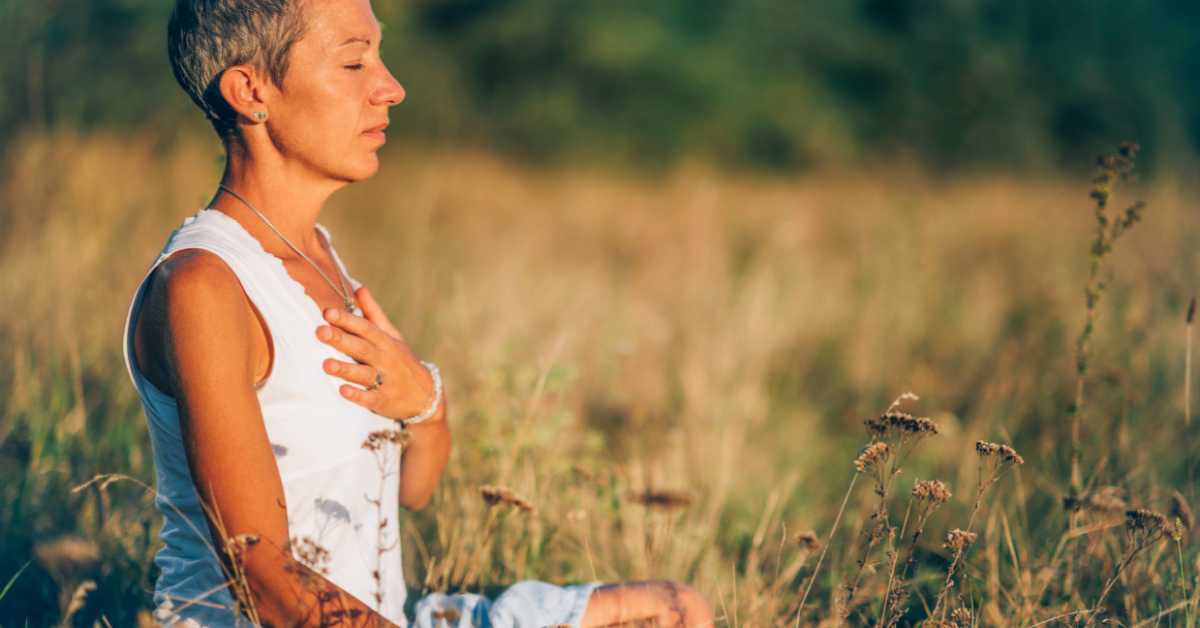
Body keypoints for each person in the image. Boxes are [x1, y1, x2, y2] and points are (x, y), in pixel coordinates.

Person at [121, 0, 714, 625]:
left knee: (673, 609)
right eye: (354, 63)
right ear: (251, 90)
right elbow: (261, 575)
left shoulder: (317, 254)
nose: (391, 88)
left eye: (380, 56)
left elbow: (415, 489)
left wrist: (425, 405)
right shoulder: (204, 286)